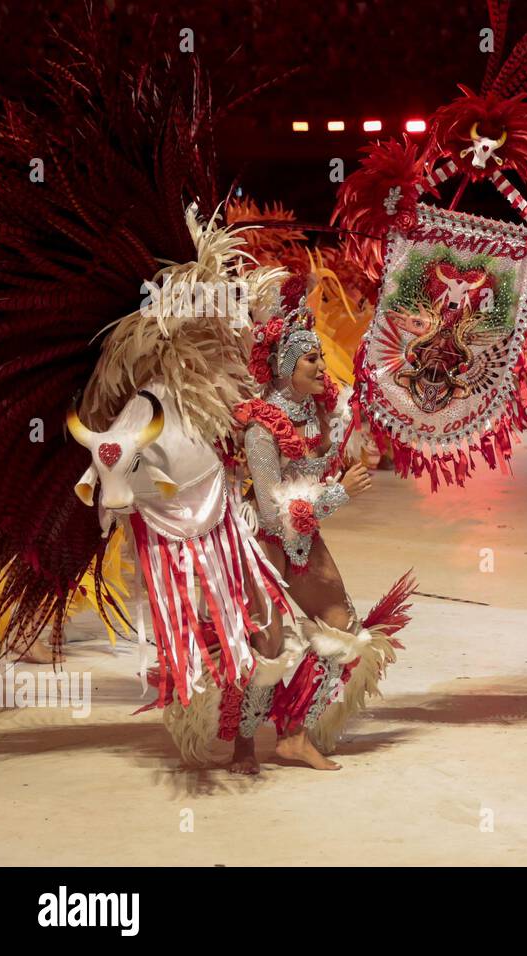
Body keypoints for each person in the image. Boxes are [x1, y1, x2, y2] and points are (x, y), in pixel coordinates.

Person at [229, 275, 397, 774]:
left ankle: (294, 736)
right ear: (283, 369)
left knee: (343, 629)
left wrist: (355, 453)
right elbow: (269, 512)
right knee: (269, 646)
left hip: (306, 542)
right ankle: (242, 744)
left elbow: (323, 461)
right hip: (268, 547)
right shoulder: (262, 430)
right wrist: (338, 495)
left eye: (321, 358)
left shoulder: (319, 414)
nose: (323, 368)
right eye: (311, 360)